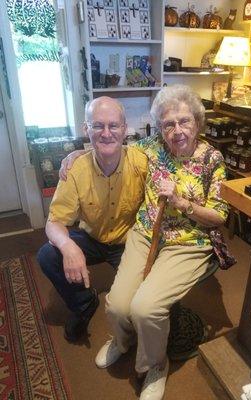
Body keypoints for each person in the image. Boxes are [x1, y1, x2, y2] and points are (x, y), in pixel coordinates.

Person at [93, 85, 230, 400]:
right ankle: (122, 341)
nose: (177, 131)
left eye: (184, 121)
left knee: (146, 308)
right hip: (146, 235)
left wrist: (182, 203)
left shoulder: (212, 158)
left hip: (189, 241)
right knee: (116, 306)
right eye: (169, 124)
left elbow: (219, 216)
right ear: (160, 127)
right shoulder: (151, 147)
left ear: (197, 121)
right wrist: (76, 154)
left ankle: (155, 365)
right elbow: (113, 148)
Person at [37, 96, 148, 342]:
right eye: (98, 126)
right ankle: (84, 302)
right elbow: (54, 221)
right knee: (48, 254)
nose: (106, 133)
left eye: (113, 125)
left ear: (125, 128)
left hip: (128, 242)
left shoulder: (142, 161)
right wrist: (67, 247)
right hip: (92, 237)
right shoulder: (75, 169)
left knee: (136, 306)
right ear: (86, 128)